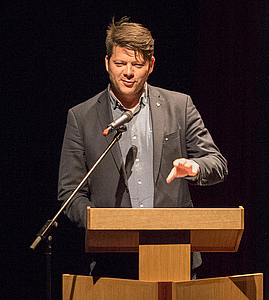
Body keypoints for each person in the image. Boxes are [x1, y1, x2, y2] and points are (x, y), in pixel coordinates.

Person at [58, 17, 228, 279]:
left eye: (137, 64)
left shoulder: (179, 107)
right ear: (106, 63)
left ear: (150, 66)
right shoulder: (81, 117)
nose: (128, 72)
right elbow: (70, 193)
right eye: (120, 63)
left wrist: (194, 167)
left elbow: (216, 163)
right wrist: (100, 223)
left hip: (173, 251)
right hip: (112, 262)